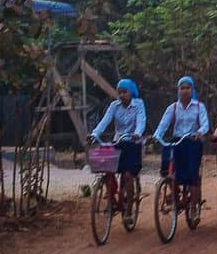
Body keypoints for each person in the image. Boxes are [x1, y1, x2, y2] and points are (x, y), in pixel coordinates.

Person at [90, 78, 146, 220]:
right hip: (119, 141)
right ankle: (111, 196)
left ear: (131, 92)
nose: (121, 95)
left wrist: (137, 133)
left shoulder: (138, 104)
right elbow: (104, 121)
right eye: (119, 92)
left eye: (124, 92)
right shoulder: (114, 106)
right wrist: (94, 134)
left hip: (133, 143)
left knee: (128, 175)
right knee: (108, 170)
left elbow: (141, 120)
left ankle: (128, 210)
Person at [154, 77, 210, 199]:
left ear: (192, 90)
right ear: (178, 90)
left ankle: (194, 208)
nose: (185, 91)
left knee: (192, 173)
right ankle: (173, 190)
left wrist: (199, 132)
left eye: (187, 88)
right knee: (166, 166)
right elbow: (163, 125)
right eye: (182, 88)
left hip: (193, 141)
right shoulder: (173, 107)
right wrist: (157, 136)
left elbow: (205, 124)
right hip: (177, 141)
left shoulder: (199, 107)